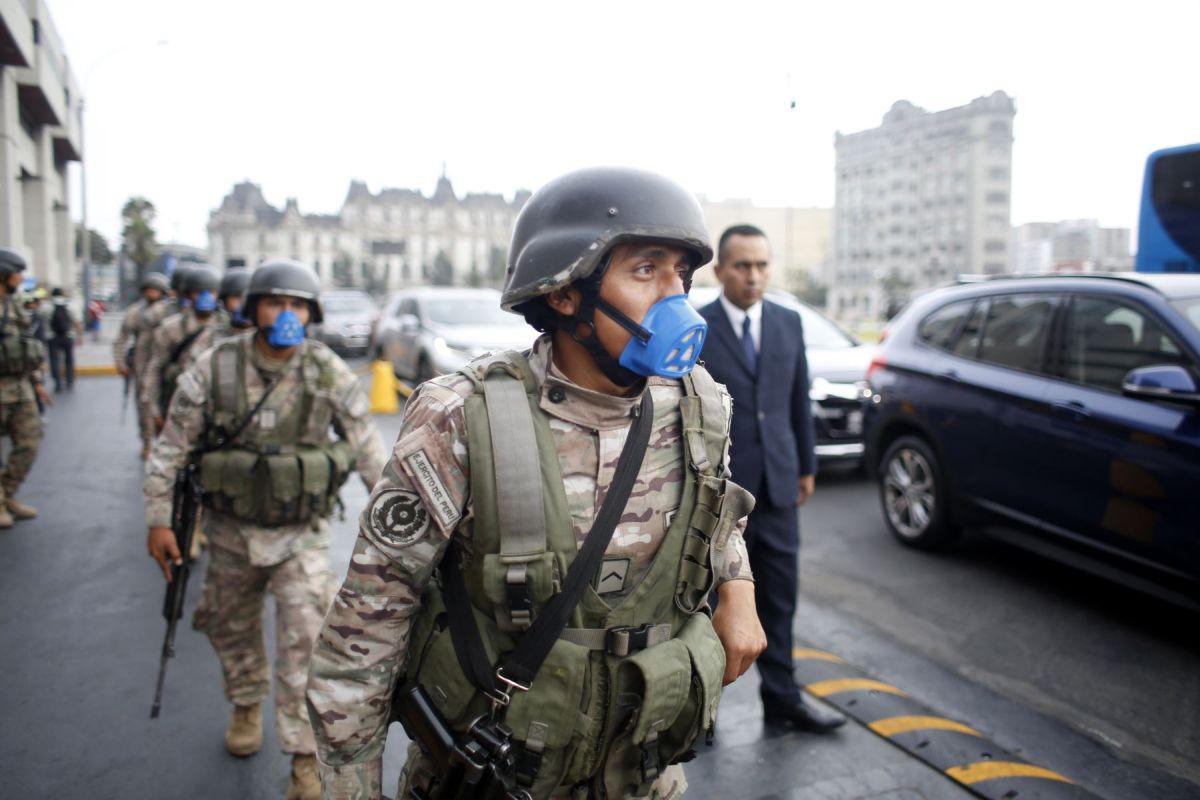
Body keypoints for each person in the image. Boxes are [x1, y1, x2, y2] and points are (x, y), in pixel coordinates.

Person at [307, 167, 767, 800]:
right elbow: (368, 622)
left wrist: (738, 587)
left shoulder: (699, 404)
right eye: (645, 270)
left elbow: (716, 511)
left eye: (681, 275)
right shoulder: (460, 416)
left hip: (642, 772)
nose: (676, 297)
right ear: (565, 293)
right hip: (493, 774)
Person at [144, 259, 387, 800]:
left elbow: (369, 449)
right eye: (276, 302)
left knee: (306, 640)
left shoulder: (326, 370)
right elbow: (171, 448)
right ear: (254, 308)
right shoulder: (216, 367)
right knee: (230, 627)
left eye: (298, 304)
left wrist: (398, 520)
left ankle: (303, 758)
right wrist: (159, 519)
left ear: (311, 313)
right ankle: (246, 703)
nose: (287, 314)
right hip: (231, 532)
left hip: (301, 535)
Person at [697, 224, 845, 733]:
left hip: (779, 484)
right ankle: (702, 708)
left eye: (762, 265)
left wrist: (806, 465)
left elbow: (797, 397)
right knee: (707, 601)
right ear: (721, 271)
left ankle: (783, 698)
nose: (754, 276)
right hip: (719, 492)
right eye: (743, 266)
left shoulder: (787, 321)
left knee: (780, 598)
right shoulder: (699, 326)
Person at [0, 248, 51, 528]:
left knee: (29, 442)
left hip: (20, 387)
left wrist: (38, 383)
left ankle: (7, 494)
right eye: (17, 273)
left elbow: (25, 346)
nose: (20, 278)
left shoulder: (15, 305)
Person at [141, 264, 222, 433]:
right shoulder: (171, 328)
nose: (206, 297)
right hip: (177, 405)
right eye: (199, 292)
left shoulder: (225, 328)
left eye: (211, 292)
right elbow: (156, 368)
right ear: (188, 295)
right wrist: (154, 410)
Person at [132, 265, 192, 456]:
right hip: (163, 372)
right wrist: (144, 377)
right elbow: (143, 349)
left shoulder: (208, 316)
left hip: (190, 376)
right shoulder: (157, 313)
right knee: (153, 414)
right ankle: (149, 443)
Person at [113, 272, 171, 455]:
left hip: (165, 363)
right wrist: (120, 363)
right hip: (142, 363)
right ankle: (147, 442)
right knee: (144, 405)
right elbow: (121, 339)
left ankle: (164, 442)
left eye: (156, 290)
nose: (152, 293)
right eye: (149, 290)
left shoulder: (169, 311)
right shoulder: (135, 312)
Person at [47, 287, 82, 393]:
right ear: (62, 294)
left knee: (54, 360)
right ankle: (69, 380)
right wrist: (80, 336)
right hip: (68, 336)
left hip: (52, 337)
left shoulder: (47, 306)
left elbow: (43, 323)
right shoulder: (70, 305)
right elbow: (77, 322)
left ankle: (57, 382)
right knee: (69, 360)